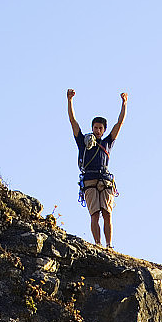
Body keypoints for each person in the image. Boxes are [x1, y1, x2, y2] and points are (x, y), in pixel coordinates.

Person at [67, 89, 127, 249]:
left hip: (105, 181)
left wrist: (124, 105)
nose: (97, 130)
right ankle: (98, 244)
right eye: (95, 127)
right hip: (89, 181)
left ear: (104, 130)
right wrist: (70, 101)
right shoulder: (83, 143)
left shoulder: (107, 142)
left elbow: (119, 124)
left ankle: (109, 245)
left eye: (100, 128)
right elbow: (73, 122)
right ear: (92, 128)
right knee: (94, 215)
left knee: (107, 214)